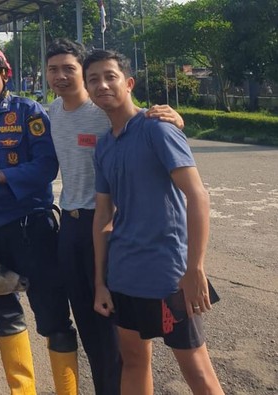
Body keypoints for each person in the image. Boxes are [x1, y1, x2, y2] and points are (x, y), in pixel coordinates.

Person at [45, 38, 185, 395]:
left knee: (117, 333)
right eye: (53, 69)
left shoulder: (103, 111)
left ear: (84, 73)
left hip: (107, 227)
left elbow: (140, 121)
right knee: (90, 326)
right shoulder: (52, 113)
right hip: (71, 225)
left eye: (69, 69)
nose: (61, 76)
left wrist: (174, 117)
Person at [86, 49, 224, 395]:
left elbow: (198, 196)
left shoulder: (158, 130)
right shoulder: (103, 147)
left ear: (129, 83)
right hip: (124, 275)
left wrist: (194, 268)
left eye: (109, 76)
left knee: (196, 369)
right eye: (93, 80)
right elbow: (103, 216)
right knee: (133, 361)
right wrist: (101, 282)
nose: (101, 85)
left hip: (168, 276)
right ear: (88, 90)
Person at [0, 42, 76, 395]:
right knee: (3, 313)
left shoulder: (29, 112)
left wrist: (5, 177)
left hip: (31, 228)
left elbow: (46, 165)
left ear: (4, 75)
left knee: (53, 315)